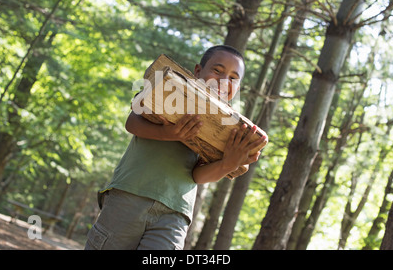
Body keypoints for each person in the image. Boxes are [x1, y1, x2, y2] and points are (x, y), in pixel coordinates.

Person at [85, 45, 266, 250]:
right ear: (198, 71)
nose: (224, 81)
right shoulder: (169, 90)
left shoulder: (227, 129)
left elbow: (197, 176)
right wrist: (167, 133)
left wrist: (227, 164)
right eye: (217, 70)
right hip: (131, 194)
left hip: (176, 214)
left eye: (233, 78)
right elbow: (132, 123)